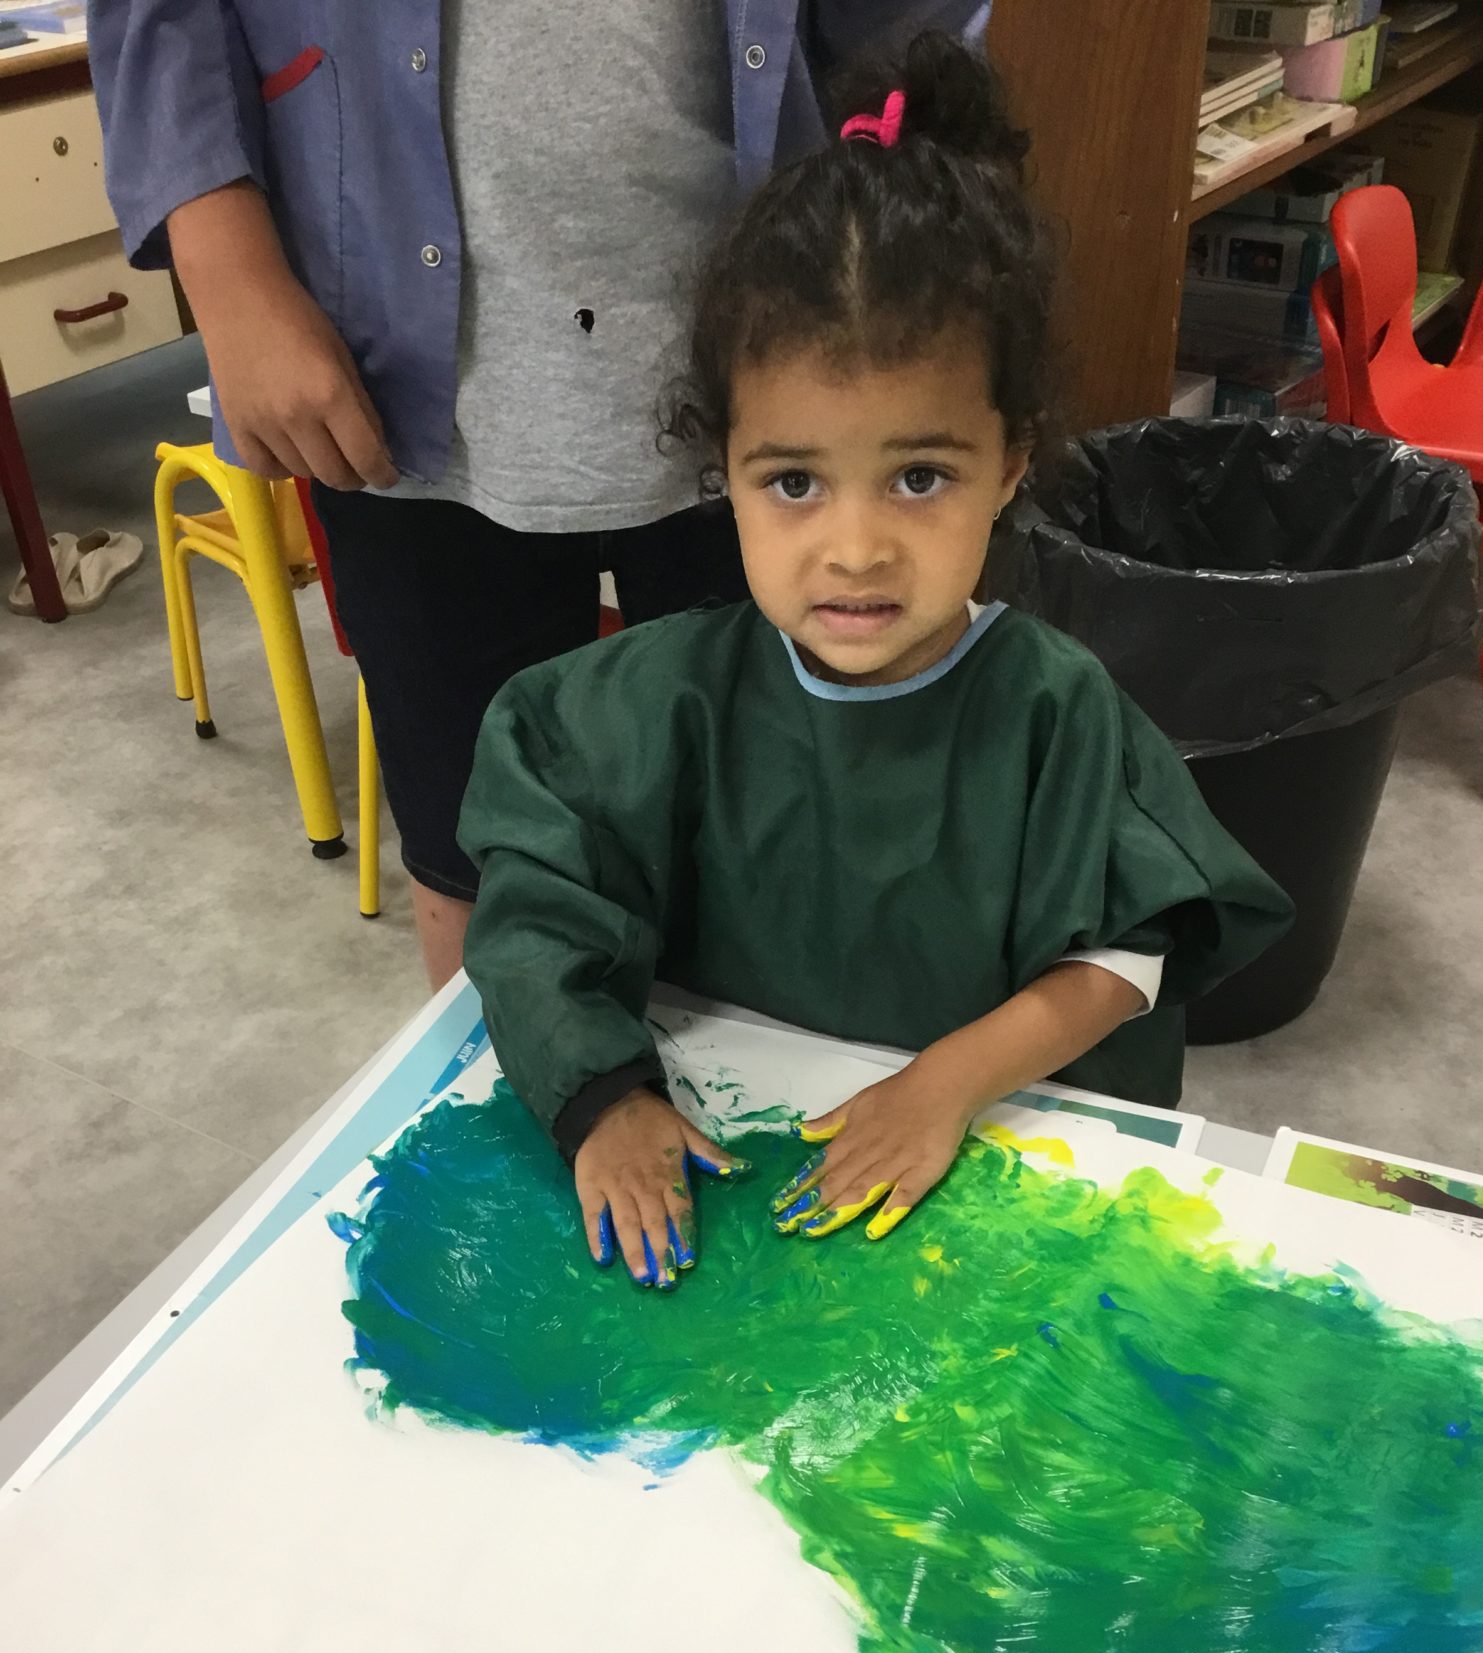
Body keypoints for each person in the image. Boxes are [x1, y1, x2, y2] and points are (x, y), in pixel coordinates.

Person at [458, 32, 1294, 1289]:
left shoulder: (1055, 712)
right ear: (722, 473)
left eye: (919, 477)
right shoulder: (648, 706)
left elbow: (1132, 957)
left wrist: (946, 1082)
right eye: (794, 481)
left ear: (1009, 465)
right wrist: (601, 1097)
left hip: (987, 1168)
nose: (854, 549)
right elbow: (533, 909)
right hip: (747, 1185)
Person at [91, 1, 986, 987]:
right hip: (397, 368)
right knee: (482, 881)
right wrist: (227, 269)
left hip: (797, 354)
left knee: (806, 868)